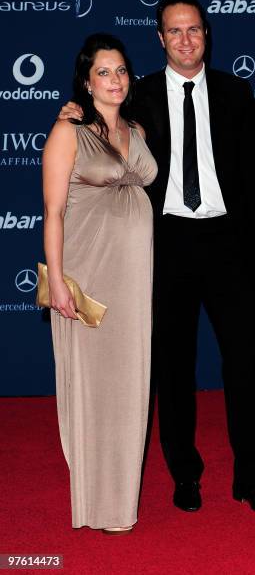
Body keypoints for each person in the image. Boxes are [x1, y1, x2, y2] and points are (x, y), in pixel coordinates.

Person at [59, 0, 255, 513]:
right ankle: (185, 475)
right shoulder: (138, 96)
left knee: (245, 365)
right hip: (164, 245)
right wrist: (73, 110)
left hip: (228, 242)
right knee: (173, 368)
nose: (186, 39)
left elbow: (253, 182)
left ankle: (251, 478)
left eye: (194, 29)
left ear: (207, 34)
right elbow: (97, 125)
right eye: (174, 31)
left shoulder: (236, 92)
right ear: (160, 39)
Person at [43, 33, 157, 534]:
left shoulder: (138, 130)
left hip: (134, 280)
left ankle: (120, 503)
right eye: (104, 72)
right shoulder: (68, 131)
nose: (114, 79)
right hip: (88, 276)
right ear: (87, 82)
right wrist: (61, 284)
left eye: (121, 71)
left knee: (129, 384)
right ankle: (95, 503)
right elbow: (51, 214)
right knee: (94, 387)